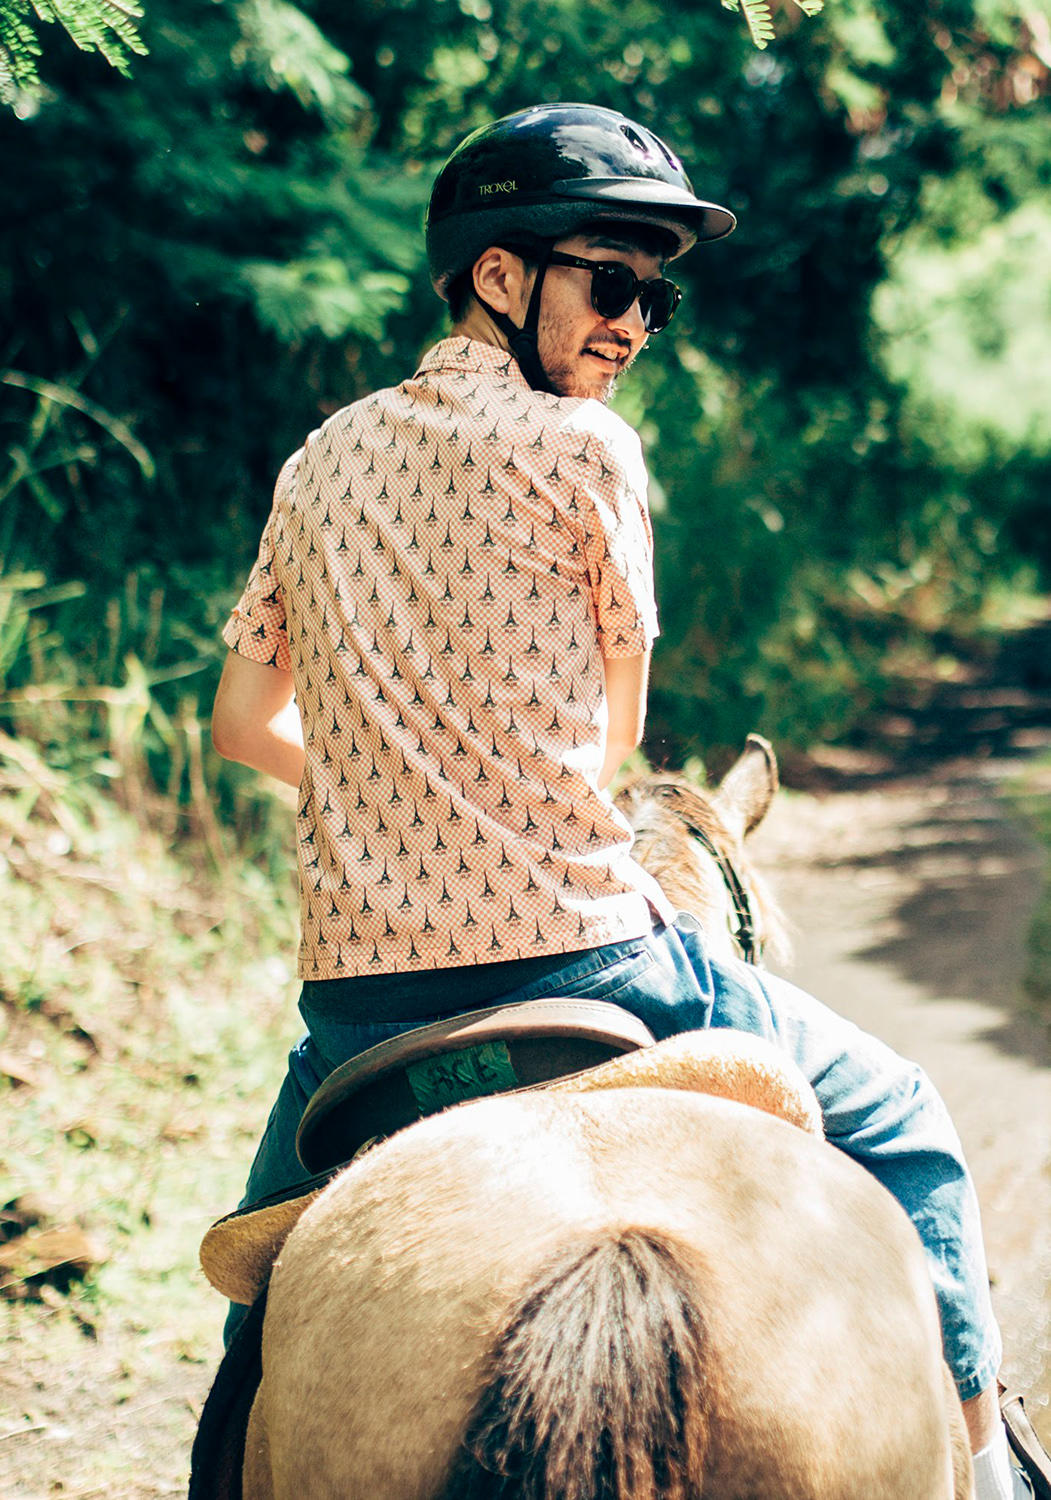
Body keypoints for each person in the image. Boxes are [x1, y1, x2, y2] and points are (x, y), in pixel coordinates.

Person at [211, 102, 1028, 1498]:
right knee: (903, 1117)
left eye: (656, 295)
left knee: (258, 1325)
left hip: (363, 1005)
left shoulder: (314, 460)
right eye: (611, 279)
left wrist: (375, 773)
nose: (637, 320)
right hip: (595, 960)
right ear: (499, 275)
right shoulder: (592, 453)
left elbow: (242, 728)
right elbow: (613, 744)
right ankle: (987, 1465)